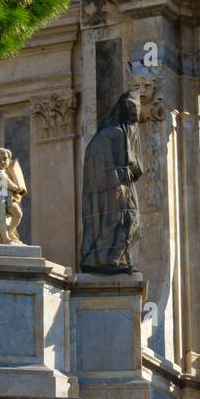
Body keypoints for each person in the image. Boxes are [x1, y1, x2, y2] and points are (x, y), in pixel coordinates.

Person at [80, 91, 143, 272]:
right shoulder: (114, 133)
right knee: (126, 217)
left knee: (129, 218)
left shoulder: (119, 131)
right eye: (132, 116)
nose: (134, 122)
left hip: (116, 184)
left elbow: (133, 165)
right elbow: (130, 163)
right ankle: (106, 259)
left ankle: (114, 257)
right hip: (110, 185)